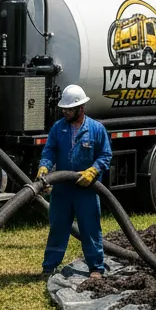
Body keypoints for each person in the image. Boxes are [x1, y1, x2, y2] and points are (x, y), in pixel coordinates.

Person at [36, 84, 112, 280]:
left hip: (86, 190)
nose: (66, 112)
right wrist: (44, 166)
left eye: (70, 109)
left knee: (90, 229)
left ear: (81, 108)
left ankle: (96, 267)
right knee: (58, 228)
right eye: (64, 109)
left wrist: (93, 170)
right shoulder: (58, 128)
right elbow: (49, 150)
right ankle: (49, 267)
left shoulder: (96, 129)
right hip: (62, 190)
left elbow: (105, 155)